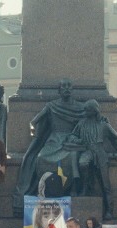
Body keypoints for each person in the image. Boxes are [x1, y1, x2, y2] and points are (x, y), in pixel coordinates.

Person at [13, 78, 86, 215]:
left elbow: (87, 123)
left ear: (72, 89)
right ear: (59, 90)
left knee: (72, 157)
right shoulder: (51, 106)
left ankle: (71, 188)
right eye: (63, 86)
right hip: (53, 140)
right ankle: (46, 190)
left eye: (69, 86)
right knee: (40, 157)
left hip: (70, 140)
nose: (66, 88)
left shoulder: (80, 107)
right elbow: (34, 121)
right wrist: (32, 130)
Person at [66, 99, 117, 220]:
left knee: (105, 184)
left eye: (87, 110)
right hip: (87, 150)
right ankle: (85, 187)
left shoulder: (103, 124)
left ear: (93, 111)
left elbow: (116, 138)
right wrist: (77, 140)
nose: (85, 111)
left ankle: (109, 209)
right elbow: (73, 135)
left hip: (100, 152)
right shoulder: (82, 123)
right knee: (83, 163)